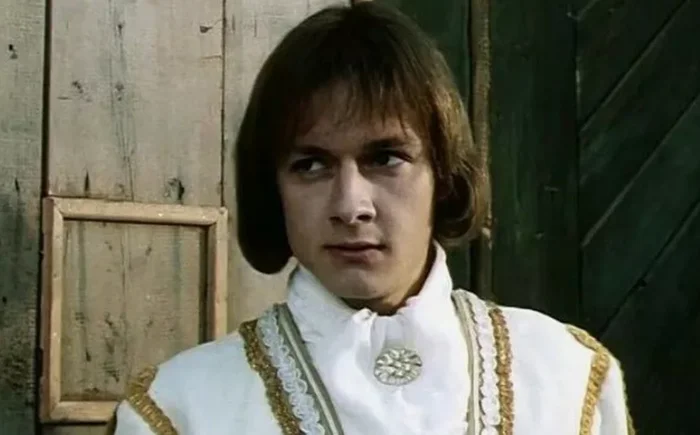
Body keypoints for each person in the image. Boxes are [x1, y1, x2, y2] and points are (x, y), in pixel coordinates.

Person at [112, 2, 634, 434]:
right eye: (311, 165)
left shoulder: (562, 375)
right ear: (274, 190)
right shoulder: (185, 408)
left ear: (443, 174)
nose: (350, 206)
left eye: (385, 158)